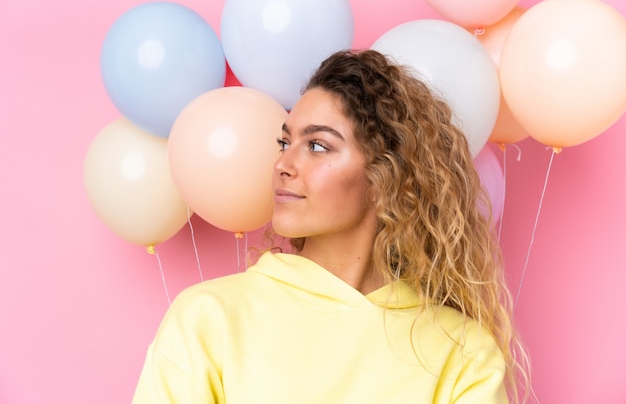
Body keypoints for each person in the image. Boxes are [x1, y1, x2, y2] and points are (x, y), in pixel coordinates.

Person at [132, 49, 530, 404]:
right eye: (284, 143)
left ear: (387, 176)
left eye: (318, 146)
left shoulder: (460, 352)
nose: (283, 165)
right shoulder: (209, 318)